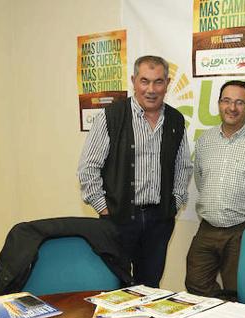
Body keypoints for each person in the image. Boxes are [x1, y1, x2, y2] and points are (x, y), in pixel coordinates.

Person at [77, 55, 192, 287]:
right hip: (118, 220)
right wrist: (104, 208)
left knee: (150, 288)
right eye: (144, 81)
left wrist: (176, 201)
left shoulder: (175, 120)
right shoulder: (111, 117)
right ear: (133, 81)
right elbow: (88, 168)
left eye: (158, 82)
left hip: (159, 221)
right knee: (116, 286)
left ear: (167, 84)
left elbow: (183, 167)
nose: (151, 89)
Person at [185, 80, 245, 298]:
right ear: (219, 104)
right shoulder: (205, 141)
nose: (232, 108)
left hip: (243, 231)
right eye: (226, 101)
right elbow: (201, 181)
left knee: (239, 291)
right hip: (207, 228)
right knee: (195, 283)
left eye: (239, 103)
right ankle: (218, 317)